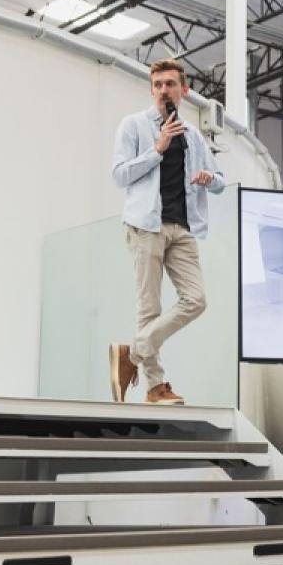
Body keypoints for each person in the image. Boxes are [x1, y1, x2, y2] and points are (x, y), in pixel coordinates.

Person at [109, 60, 228, 406]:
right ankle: (155, 386)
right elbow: (119, 175)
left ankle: (131, 353)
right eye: (158, 84)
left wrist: (210, 179)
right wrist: (156, 149)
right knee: (149, 308)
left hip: (183, 228)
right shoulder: (133, 126)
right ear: (151, 90)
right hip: (145, 225)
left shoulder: (193, 135)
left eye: (170, 84)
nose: (164, 90)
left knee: (196, 300)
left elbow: (220, 180)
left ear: (184, 90)